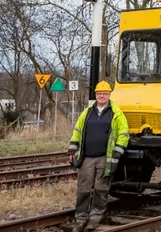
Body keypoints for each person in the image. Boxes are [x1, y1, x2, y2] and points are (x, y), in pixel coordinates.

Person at [67, 81, 129, 232]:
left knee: (101, 189)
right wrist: (72, 150)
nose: (102, 95)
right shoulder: (87, 112)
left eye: (105, 93)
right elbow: (77, 130)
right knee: (83, 188)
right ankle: (81, 218)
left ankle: (95, 218)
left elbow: (124, 134)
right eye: (99, 93)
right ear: (96, 95)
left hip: (104, 158)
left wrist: (117, 153)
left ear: (109, 95)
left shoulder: (117, 114)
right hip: (87, 157)